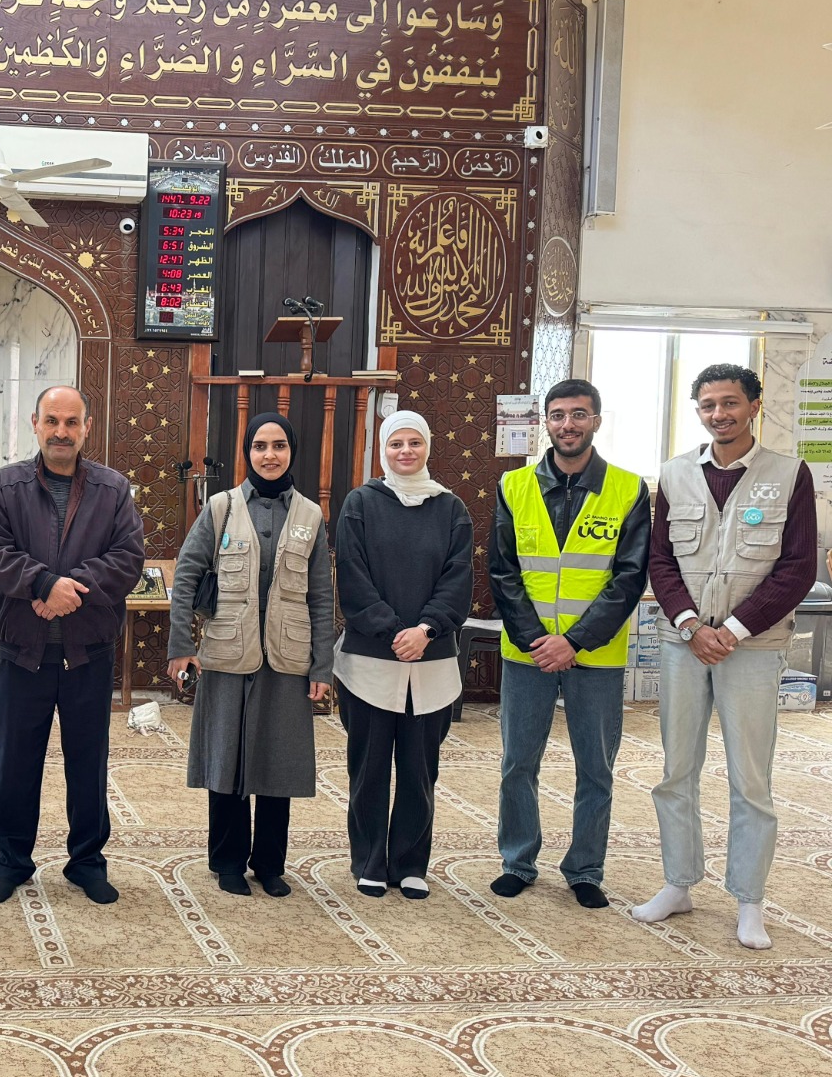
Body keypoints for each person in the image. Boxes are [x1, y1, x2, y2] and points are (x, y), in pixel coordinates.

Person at [631, 364, 816, 950]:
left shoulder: (789, 474)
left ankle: (749, 900)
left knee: (751, 778)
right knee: (676, 771)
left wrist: (732, 630)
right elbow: (660, 561)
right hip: (684, 644)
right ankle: (678, 884)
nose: (719, 414)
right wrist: (690, 624)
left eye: (730, 403)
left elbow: (797, 568)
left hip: (753, 648)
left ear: (755, 406)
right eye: (708, 404)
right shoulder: (674, 474)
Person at [0, 385, 144, 905]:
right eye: (52, 421)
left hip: (87, 652)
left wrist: (69, 591)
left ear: (87, 427)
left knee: (88, 764)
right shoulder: (6, 486)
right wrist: (43, 584)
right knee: (14, 764)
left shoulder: (113, 490)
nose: (61, 432)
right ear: (35, 424)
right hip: (22, 651)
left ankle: (87, 862)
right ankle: (10, 861)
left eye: (72, 422)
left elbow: (127, 558)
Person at [489, 378, 649, 908]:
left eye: (579, 414)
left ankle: (585, 870)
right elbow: (503, 571)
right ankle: (517, 860)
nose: (568, 424)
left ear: (596, 420)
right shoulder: (514, 486)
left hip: (596, 656)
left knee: (595, 769)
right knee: (518, 763)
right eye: (558, 415)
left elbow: (629, 578)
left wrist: (574, 642)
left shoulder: (628, 488)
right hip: (528, 653)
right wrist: (539, 640)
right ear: (546, 423)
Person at [167, 412, 336, 897]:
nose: (269, 455)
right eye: (260, 446)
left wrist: (322, 665)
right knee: (227, 759)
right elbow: (186, 575)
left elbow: (321, 596)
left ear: (292, 452)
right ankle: (227, 862)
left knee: (278, 762)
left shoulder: (310, 515)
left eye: (279, 445)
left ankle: (269, 864)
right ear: (247, 453)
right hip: (227, 653)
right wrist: (181, 646)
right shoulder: (220, 508)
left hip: (287, 657)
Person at [331, 411, 473, 899]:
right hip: (371, 663)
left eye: (414, 442)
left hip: (431, 663)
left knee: (419, 770)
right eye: (396, 444)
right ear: (382, 450)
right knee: (369, 769)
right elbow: (352, 577)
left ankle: (411, 864)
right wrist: (395, 631)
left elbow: (458, 578)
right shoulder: (360, 503)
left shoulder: (451, 508)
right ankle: (370, 860)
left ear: (428, 447)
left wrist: (426, 629)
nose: (405, 451)